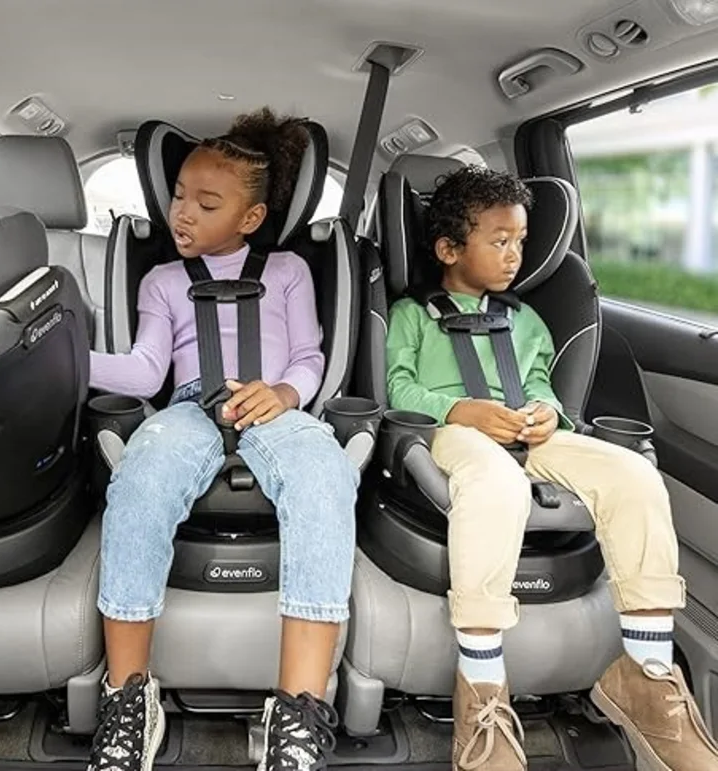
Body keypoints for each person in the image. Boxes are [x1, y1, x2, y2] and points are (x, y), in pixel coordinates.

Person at [385, 165, 718, 770]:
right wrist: (459, 410)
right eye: (499, 241)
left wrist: (547, 413)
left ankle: (646, 673)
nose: (515, 255)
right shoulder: (410, 316)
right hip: (450, 434)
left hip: (528, 434)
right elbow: (396, 387)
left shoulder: (526, 320)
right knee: (497, 484)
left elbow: (540, 383)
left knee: (635, 476)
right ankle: (481, 684)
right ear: (449, 250)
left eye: (520, 240)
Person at [87, 107, 358, 771]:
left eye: (207, 205)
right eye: (180, 196)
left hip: (273, 406)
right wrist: (63, 357)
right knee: (142, 472)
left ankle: (297, 715)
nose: (183, 213)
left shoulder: (288, 271)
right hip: (188, 404)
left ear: (250, 218)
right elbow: (144, 371)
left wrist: (285, 394)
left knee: (326, 473)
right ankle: (128, 699)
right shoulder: (162, 281)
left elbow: (309, 356)